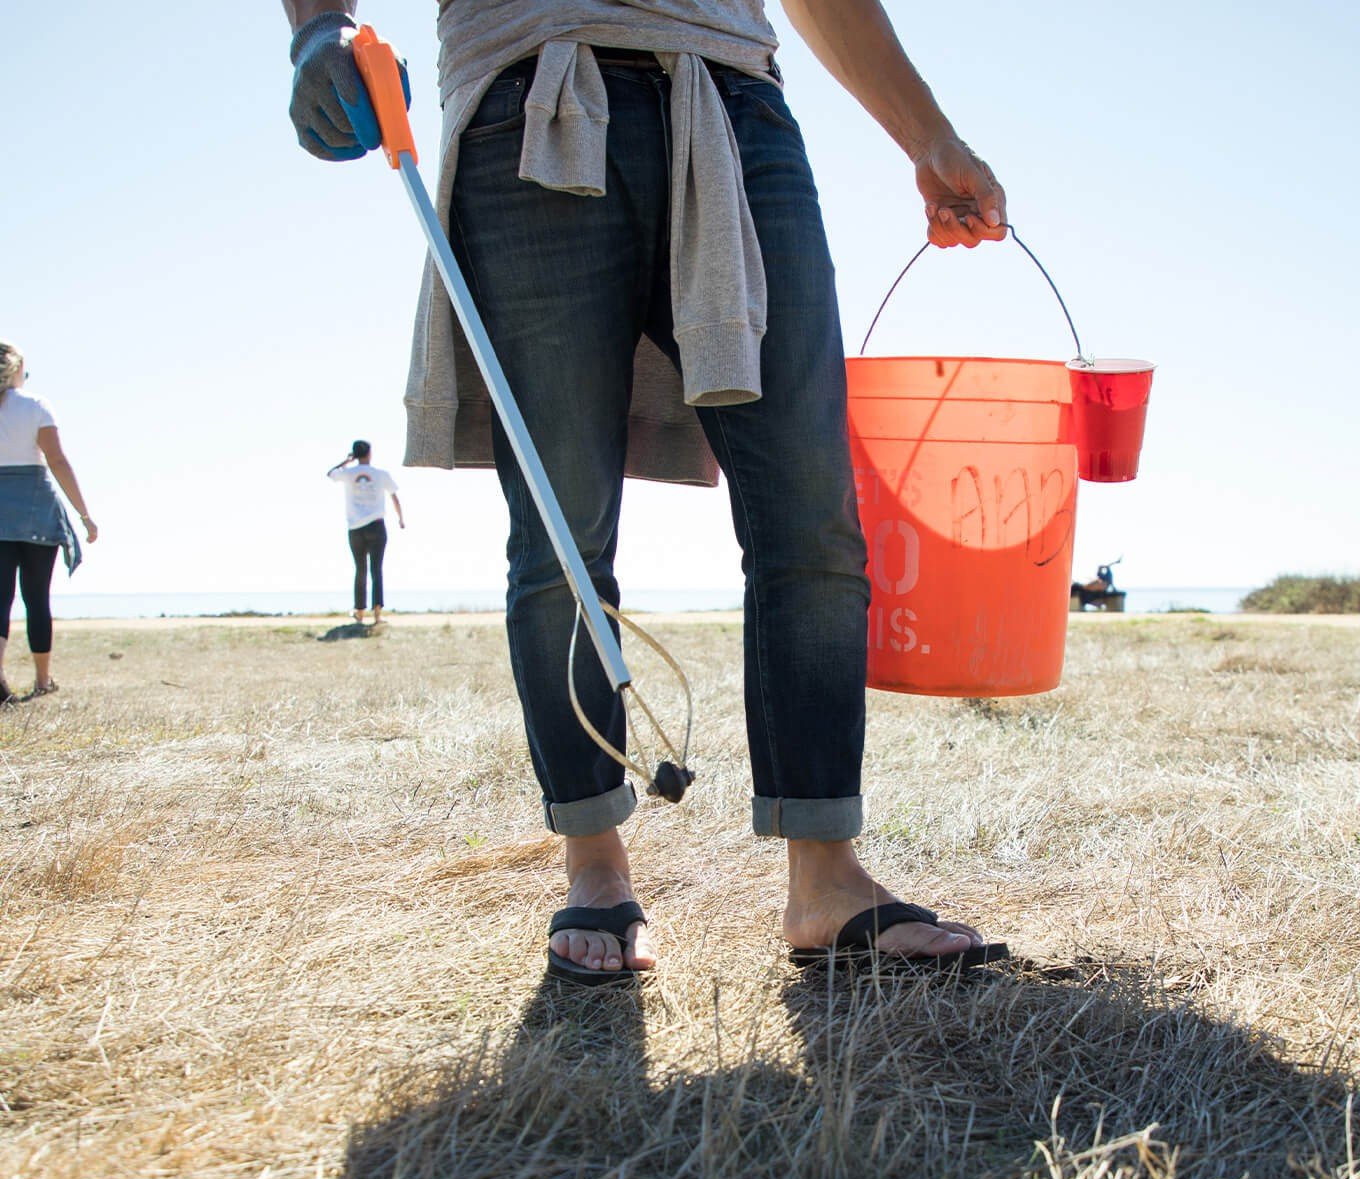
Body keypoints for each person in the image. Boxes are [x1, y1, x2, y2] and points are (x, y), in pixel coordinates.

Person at [284, 0, 1009, 982]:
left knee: (811, 517)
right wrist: (317, 25)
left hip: (734, 103)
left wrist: (930, 136)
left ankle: (826, 878)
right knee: (559, 533)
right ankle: (595, 866)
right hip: (526, 94)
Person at [0, 341, 97, 704]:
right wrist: (84, 514)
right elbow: (56, 461)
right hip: (37, 511)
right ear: (16, 370)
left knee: (0, 598)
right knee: (37, 597)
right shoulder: (36, 405)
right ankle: (43, 681)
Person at [327, 439, 404, 625]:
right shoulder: (380, 474)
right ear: (370, 453)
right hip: (376, 525)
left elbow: (330, 474)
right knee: (376, 569)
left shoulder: (348, 473)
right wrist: (400, 518)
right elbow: (394, 496)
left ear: (355, 454)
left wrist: (346, 462)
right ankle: (377, 613)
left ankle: (360, 612)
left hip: (355, 528)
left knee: (360, 570)